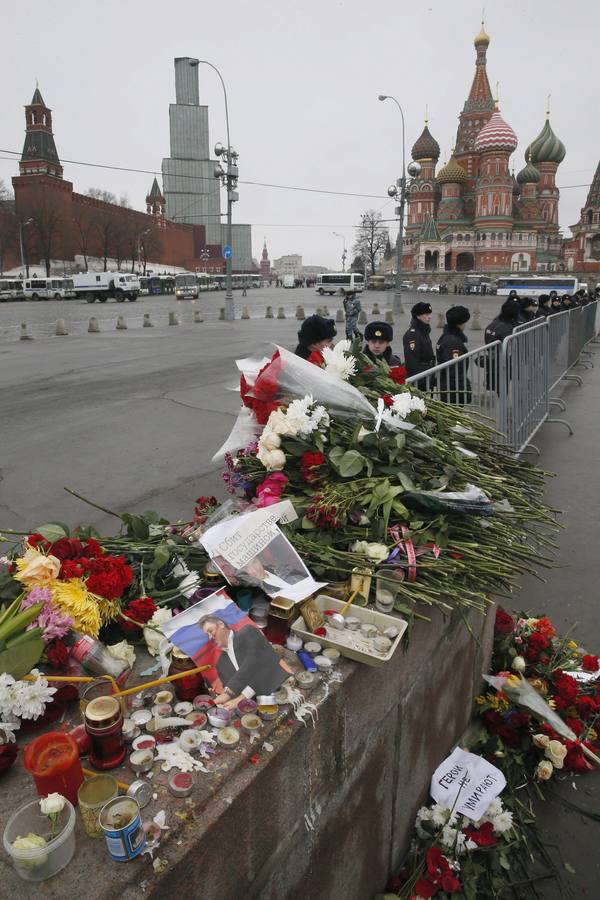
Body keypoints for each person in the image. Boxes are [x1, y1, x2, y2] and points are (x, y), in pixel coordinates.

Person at [199, 616, 288, 709]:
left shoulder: (247, 632)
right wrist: (224, 702)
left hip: (279, 692)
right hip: (251, 708)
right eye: (207, 635)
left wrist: (231, 694)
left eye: (210, 631)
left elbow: (256, 664)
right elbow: (232, 698)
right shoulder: (220, 665)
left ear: (221, 624)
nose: (209, 637)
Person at [436, 306, 471, 404]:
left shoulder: (446, 337)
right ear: (460, 324)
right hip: (452, 390)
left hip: (447, 386)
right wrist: (463, 391)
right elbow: (455, 370)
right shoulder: (453, 342)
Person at [402, 302, 435, 387]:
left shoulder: (423, 331)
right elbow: (412, 361)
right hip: (420, 378)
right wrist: (420, 381)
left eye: (429, 314)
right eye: (426, 314)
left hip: (427, 373)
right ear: (418, 316)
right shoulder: (413, 334)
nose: (429, 317)